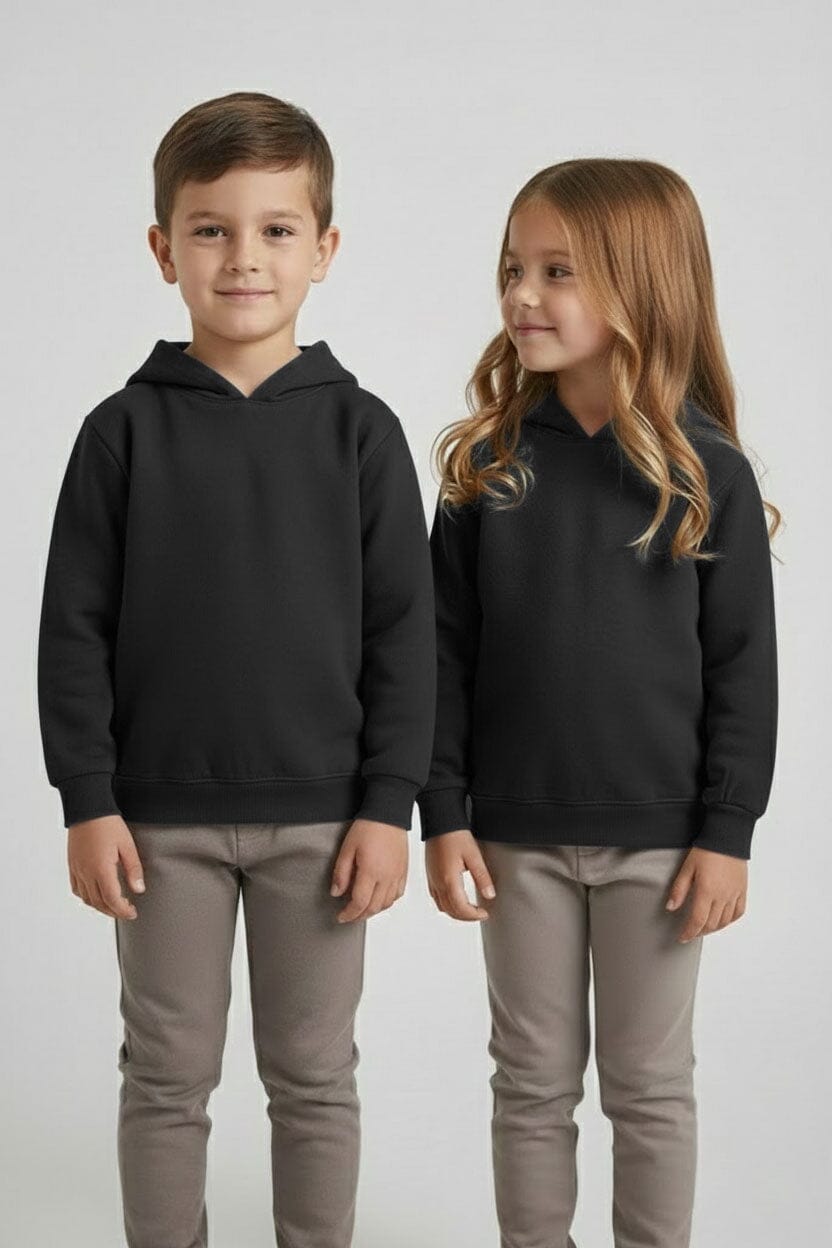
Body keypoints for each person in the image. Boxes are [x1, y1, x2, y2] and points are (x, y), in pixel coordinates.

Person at [36, 90, 436, 1248]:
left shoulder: (362, 432)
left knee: (313, 1075)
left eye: (275, 229)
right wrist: (87, 801)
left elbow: (404, 634)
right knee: (166, 1075)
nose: (244, 257)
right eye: (211, 229)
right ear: (164, 250)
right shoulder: (121, 432)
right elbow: (73, 631)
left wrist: (388, 807)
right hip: (156, 827)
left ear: (324, 249)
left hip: (325, 823)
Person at [417, 158, 779, 1248]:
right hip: (512, 840)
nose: (522, 295)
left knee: (649, 1085)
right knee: (529, 1081)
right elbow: (440, 654)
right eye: (512, 269)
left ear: (642, 285)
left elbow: (743, 669)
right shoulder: (486, 468)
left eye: (557, 271)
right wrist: (444, 813)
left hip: (661, 847)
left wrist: (726, 831)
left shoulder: (704, 472)